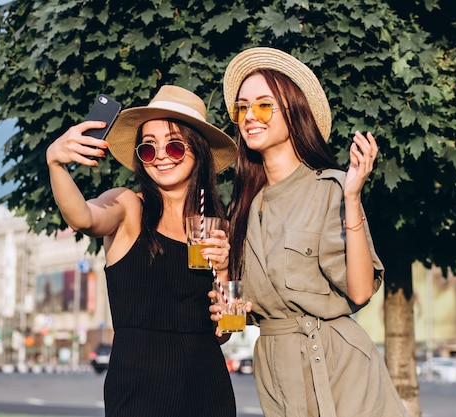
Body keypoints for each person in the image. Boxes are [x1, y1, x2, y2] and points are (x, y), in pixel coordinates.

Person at [213, 47, 410, 416]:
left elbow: (361, 290)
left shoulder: (332, 187)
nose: (249, 117)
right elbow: (231, 320)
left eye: (263, 106)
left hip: (339, 366)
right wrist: (227, 301)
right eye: (242, 108)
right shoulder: (243, 208)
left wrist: (352, 198)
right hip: (275, 372)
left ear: (293, 112)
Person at [46, 85, 238, 417]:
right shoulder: (128, 207)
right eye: (148, 148)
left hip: (207, 387)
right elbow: (83, 218)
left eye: (174, 146)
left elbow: (225, 331)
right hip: (139, 389)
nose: (161, 155)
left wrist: (223, 274)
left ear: (199, 151)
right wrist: (56, 165)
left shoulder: (216, 227)